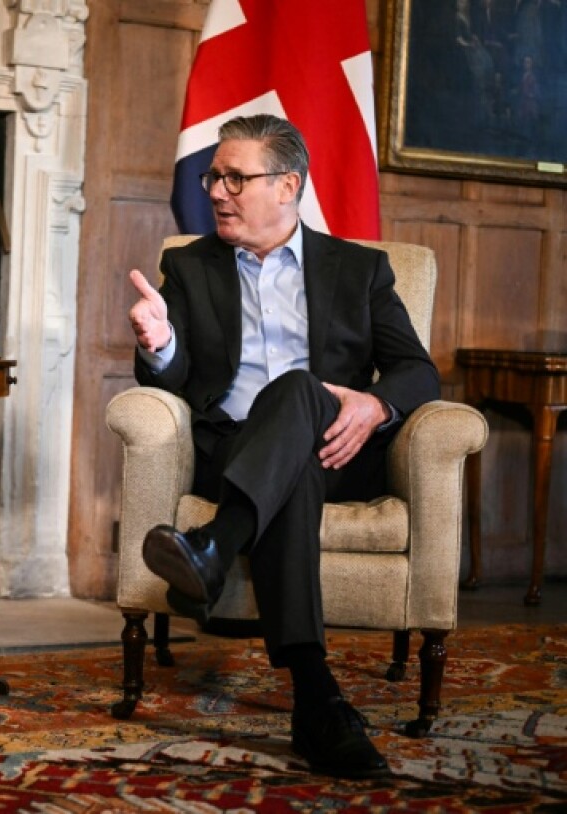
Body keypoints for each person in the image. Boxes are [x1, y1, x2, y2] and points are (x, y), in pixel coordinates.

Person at [127, 114, 439, 779]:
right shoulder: (187, 265)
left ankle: (214, 547)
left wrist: (376, 403)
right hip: (235, 452)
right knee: (288, 453)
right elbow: (177, 374)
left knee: (300, 391)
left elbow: (419, 369)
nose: (216, 191)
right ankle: (315, 696)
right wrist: (161, 345)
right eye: (214, 176)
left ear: (287, 185)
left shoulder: (360, 270)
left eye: (235, 178)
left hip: (338, 452)